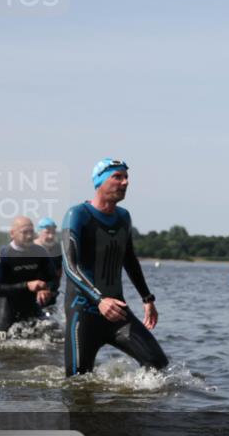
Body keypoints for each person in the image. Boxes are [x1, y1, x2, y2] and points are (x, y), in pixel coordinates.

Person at [61, 159, 168, 377]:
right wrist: (100, 300)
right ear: (99, 182)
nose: (125, 182)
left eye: (126, 177)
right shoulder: (77, 215)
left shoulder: (123, 217)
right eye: (117, 177)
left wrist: (147, 299)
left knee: (158, 364)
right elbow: (70, 266)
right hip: (84, 312)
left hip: (117, 311)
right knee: (77, 382)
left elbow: (129, 260)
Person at [0, 216, 59, 336]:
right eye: (24, 232)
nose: (29, 236)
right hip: (8, 308)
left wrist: (46, 289)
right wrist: (27, 285)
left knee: (54, 337)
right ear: (12, 233)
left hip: (32, 305)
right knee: (2, 344)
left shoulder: (41, 252)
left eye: (31, 231)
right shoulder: (0, 255)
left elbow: (53, 279)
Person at [34, 217, 62, 307]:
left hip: (52, 294)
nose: (51, 236)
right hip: (34, 295)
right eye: (47, 233)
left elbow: (59, 272)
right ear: (39, 232)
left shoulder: (57, 249)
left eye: (53, 233)